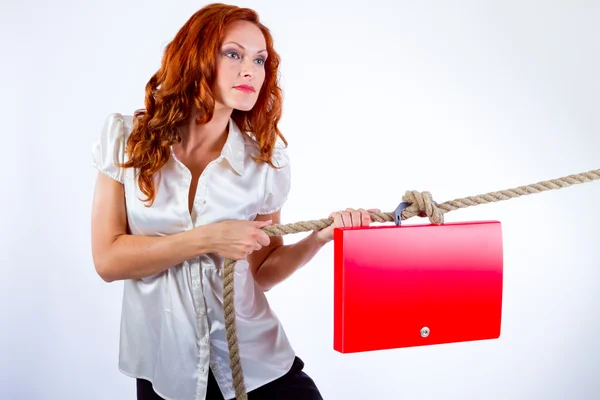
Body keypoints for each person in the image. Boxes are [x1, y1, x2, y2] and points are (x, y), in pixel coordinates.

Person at [91, 3, 378, 400]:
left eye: (259, 60)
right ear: (195, 57)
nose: (251, 71)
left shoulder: (265, 160)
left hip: (259, 367)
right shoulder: (126, 139)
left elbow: (261, 273)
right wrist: (208, 239)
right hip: (166, 373)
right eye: (233, 54)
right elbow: (108, 260)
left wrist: (317, 239)